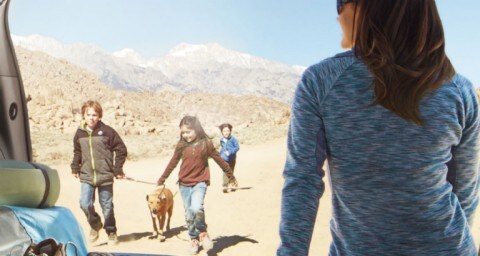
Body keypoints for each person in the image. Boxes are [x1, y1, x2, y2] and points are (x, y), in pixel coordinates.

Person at [278, 1, 480, 255]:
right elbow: (465, 190)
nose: (338, 14)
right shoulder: (458, 90)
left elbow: (303, 181)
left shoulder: (322, 82)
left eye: (342, 4)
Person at [156, 115, 238, 255]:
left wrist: (230, 175)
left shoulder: (206, 144)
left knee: (196, 207)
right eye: (183, 132)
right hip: (184, 184)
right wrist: (162, 178)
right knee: (189, 214)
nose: (185, 135)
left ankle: (203, 232)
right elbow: (173, 162)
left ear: (197, 130)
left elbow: (218, 159)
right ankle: (194, 239)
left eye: (188, 132)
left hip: (200, 181)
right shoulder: (181, 145)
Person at [70, 100, 128, 246]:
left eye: (94, 115)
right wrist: (75, 167)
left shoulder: (108, 131)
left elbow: (121, 149)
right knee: (84, 203)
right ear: (83, 115)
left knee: (107, 206)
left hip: (105, 175)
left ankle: (111, 231)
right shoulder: (79, 133)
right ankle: (95, 225)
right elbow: (77, 151)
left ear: (99, 116)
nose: (91, 118)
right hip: (87, 175)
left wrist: (118, 169)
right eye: (88, 114)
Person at [218, 123, 240, 193]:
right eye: (224, 131)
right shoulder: (222, 140)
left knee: (230, 171)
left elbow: (237, 147)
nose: (226, 133)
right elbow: (222, 148)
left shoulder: (233, 139)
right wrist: (219, 154)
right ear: (222, 132)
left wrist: (230, 152)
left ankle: (233, 183)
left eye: (227, 131)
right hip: (224, 159)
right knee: (225, 171)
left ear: (230, 131)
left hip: (232, 159)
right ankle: (225, 185)